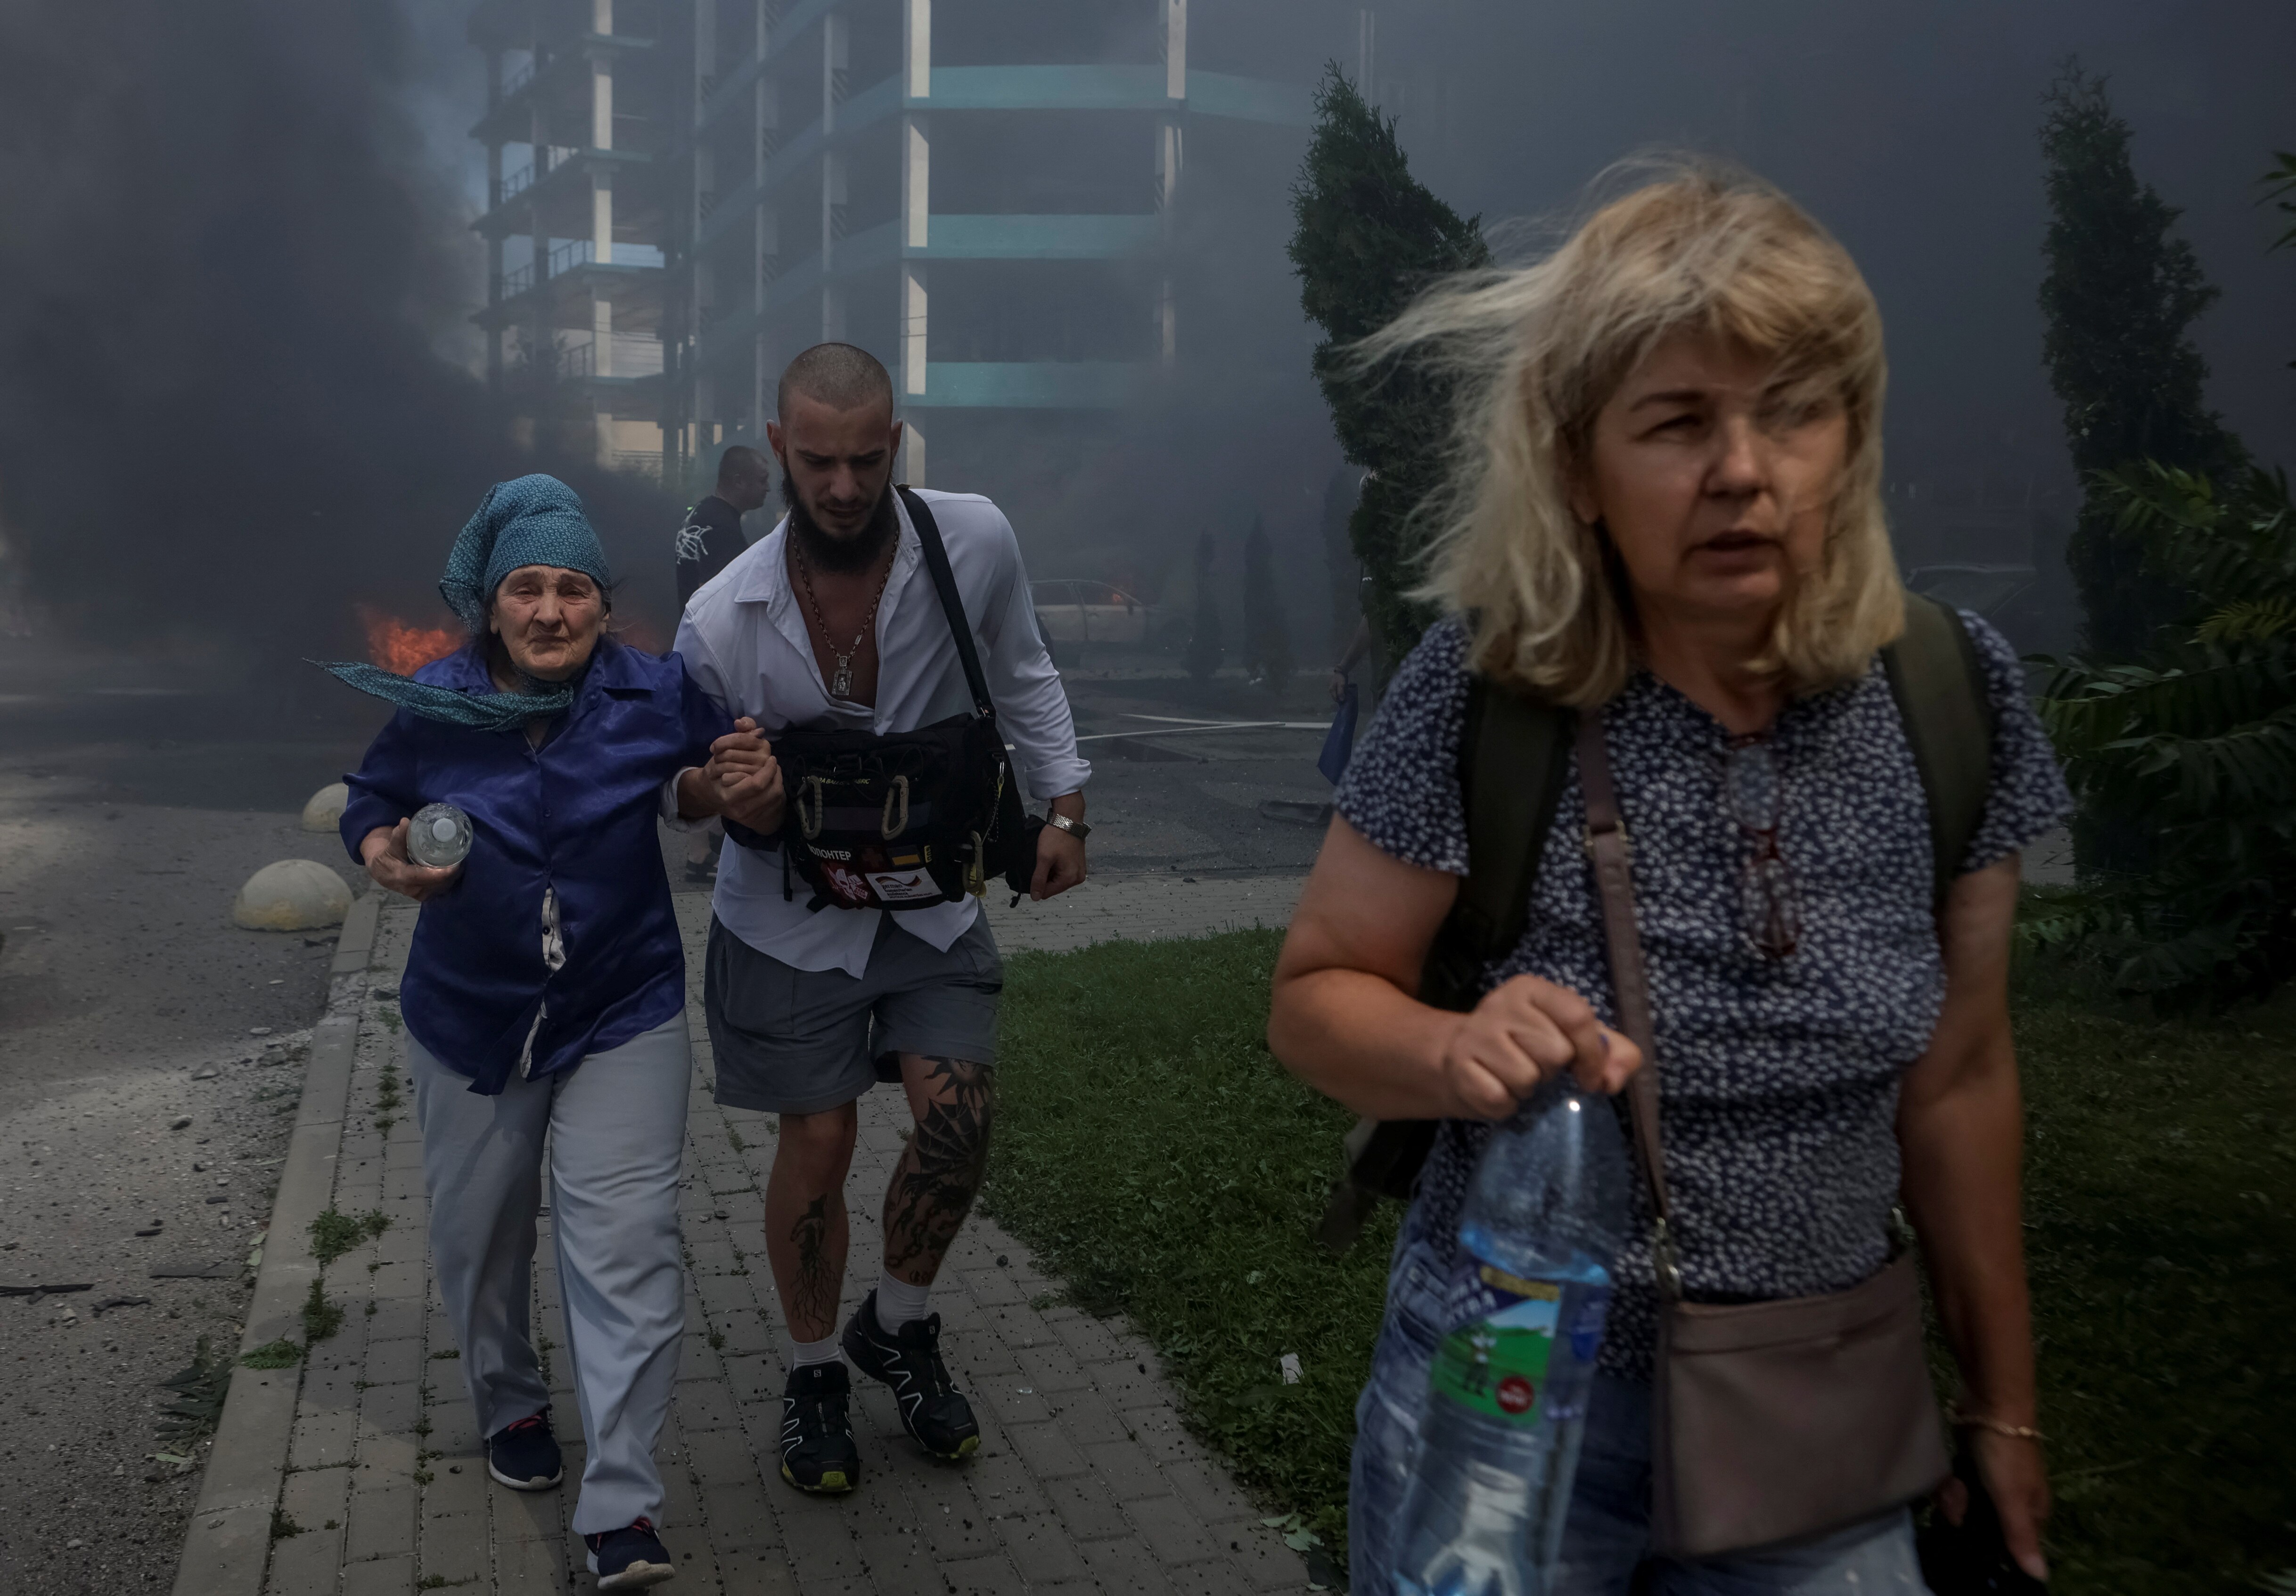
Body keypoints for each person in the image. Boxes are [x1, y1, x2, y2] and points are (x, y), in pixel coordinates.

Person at [1266, 168, 2067, 1594]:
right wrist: (1455, 1049)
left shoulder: (1953, 693)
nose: (1743, 469)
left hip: (1814, 1401)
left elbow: (1960, 1080)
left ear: (1852, 439)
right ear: (1577, 465)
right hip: (1508, 1366)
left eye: (1794, 410)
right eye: (1679, 422)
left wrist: (2003, 1406)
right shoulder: (1488, 689)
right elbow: (1316, 998)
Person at [329, 475, 765, 1593]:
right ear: (492, 602)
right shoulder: (435, 698)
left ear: (603, 606)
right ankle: (510, 1392)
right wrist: (384, 856)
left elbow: (709, 780)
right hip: (469, 1013)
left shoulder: (653, 689)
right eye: (528, 586)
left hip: (622, 1005)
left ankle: (622, 1504)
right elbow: (368, 799)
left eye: (575, 587)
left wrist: (735, 785)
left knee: (627, 1245)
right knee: (483, 1237)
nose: (552, 608)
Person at [674, 343, 1091, 1496]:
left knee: (959, 1119)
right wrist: (726, 792)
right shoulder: (720, 617)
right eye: (818, 461)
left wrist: (1068, 806)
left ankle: (898, 1323)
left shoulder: (974, 540)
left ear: (896, 440)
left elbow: (1024, 669)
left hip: (930, 901)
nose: (845, 486)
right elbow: (680, 779)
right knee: (819, 1142)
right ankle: (813, 1369)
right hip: (788, 920)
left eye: (866, 458)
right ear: (777, 451)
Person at [675, 445, 774, 883]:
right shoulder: (724, 530)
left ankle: (700, 851)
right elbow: (734, 598)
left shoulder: (698, 516)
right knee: (722, 745)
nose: (768, 487)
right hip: (719, 651)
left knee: (704, 741)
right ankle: (706, 851)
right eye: (760, 479)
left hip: (692, 645)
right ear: (738, 481)